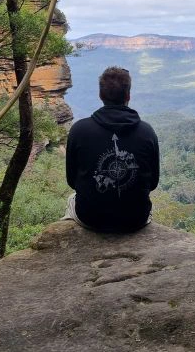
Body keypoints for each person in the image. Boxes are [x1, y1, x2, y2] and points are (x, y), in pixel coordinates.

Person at [64, 66, 159, 232]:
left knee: (72, 198)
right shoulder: (147, 132)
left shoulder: (79, 130)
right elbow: (152, 183)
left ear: (100, 95)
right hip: (136, 219)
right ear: (128, 96)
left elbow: (72, 181)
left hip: (90, 218)